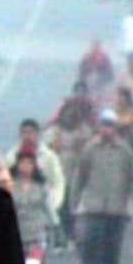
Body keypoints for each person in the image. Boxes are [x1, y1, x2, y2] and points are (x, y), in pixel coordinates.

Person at [72, 109, 133, 264]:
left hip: (117, 205)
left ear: (115, 129)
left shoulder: (125, 151)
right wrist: (74, 200)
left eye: (110, 126)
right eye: (104, 126)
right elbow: (80, 175)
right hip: (93, 203)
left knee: (112, 243)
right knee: (90, 239)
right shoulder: (90, 149)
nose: (106, 130)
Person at [45, 82, 97, 246]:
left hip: (77, 178)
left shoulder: (85, 131)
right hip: (57, 178)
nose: (70, 117)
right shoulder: (53, 132)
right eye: (67, 114)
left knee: (73, 208)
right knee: (58, 208)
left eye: (73, 115)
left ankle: (73, 235)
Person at [4, 118, 65, 230]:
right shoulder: (11, 157)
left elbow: (58, 183)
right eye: (24, 132)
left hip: (42, 212)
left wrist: (53, 204)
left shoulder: (49, 157)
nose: (27, 136)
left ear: (37, 134)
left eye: (30, 132)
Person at [9, 147, 54, 264]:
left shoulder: (41, 186)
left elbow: (49, 208)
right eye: (23, 163)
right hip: (14, 234)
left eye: (29, 163)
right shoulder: (9, 186)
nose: (25, 167)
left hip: (36, 234)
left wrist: (54, 226)